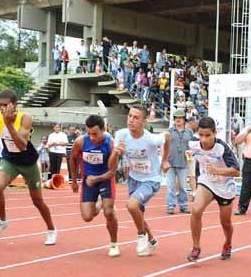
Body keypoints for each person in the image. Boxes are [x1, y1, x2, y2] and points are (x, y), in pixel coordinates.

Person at [0, 89, 57, 244]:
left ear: (15, 105)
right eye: (0, 105)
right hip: (10, 160)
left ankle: (51, 229)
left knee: (37, 201)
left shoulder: (25, 118)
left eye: (6, 105)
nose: (2, 108)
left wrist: (8, 124)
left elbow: (22, 145)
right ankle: (2, 221)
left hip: (28, 162)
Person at [109, 106, 171, 256]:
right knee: (138, 213)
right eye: (130, 116)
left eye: (136, 118)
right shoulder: (122, 135)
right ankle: (151, 239)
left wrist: (164, 161)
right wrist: (116, 153)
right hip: (134, 179)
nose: (131, 120)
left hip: (151, 180)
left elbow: (167, 136)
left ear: (143, 121)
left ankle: (141, 235)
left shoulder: (151, 138)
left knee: (131, 206)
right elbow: (111, 166)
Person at [186, 117, 240, 262]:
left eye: (207, 135)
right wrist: (197, 185)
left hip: (225, 187)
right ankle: (196, 247)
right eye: (201, 135)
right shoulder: (194, 144)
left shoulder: (222, 147)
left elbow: (236, 171)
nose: (204, 139)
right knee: (196, 210)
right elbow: (199, 162)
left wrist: (218, 171)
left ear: (215, 133)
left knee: (225, 222)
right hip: (207, 182)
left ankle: (228, 243)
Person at [70, 115, 119, 257]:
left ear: (103, 130)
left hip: (105, 179)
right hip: (88, 181)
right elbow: (73, 159)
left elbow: (112, 172)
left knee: (109, 212)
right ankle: (101, 204)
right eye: (89, 133)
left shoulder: (110, 144)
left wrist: (96, 178)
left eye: (95, 134)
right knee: (87, 217)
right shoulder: (80, 142)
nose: (91, 137)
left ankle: (114, 243)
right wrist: (73, 181)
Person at [166, 109, 194, 214]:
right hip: (170, 162)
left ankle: (183, 205)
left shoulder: (189, 132)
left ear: (184, 120)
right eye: (176, 118)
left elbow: (193, 145)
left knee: (183, 186)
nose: (178, 120)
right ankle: (171, 205)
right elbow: (164, 145)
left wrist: (191, 152)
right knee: (170, 185)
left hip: (183, 162)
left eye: (180, 118)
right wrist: (164, 160)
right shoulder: (169, 131)